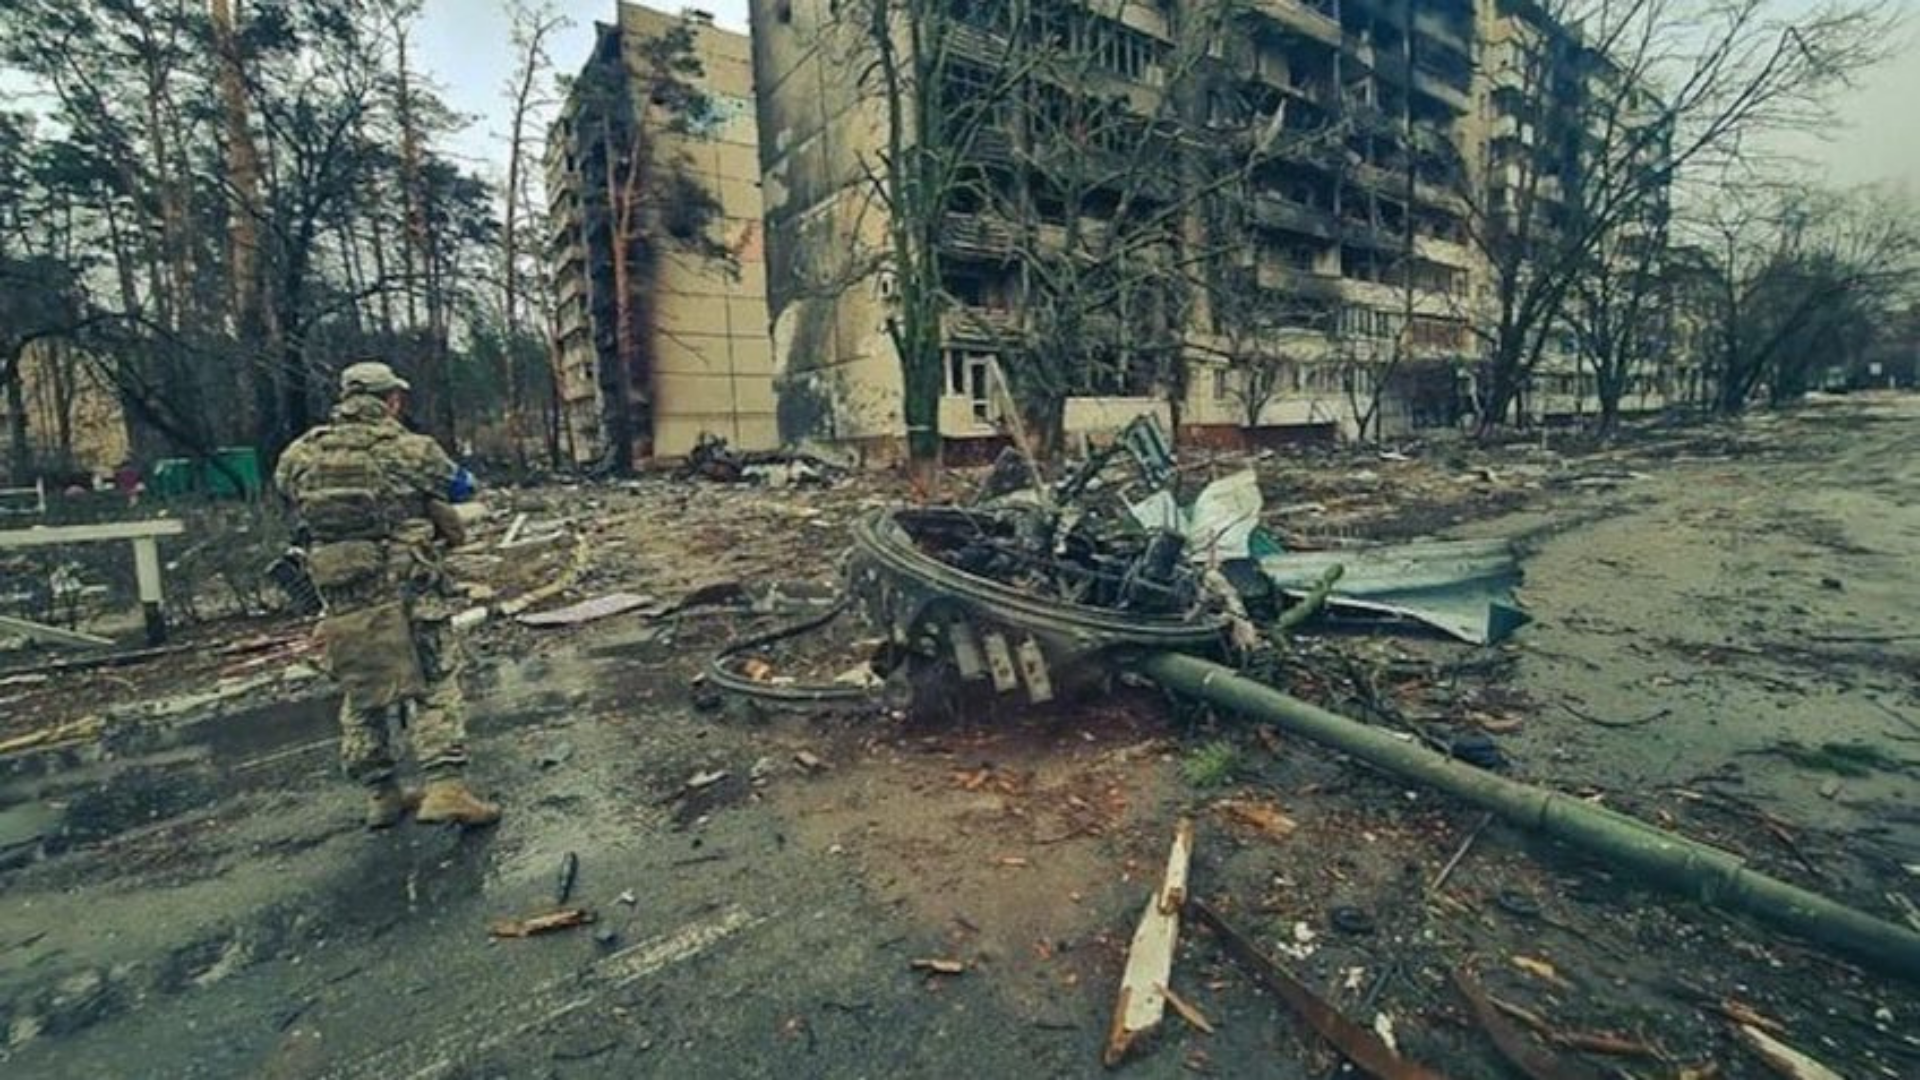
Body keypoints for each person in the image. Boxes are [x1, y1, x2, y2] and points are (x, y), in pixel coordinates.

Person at [274, 361, 499, 829]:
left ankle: (381, 794)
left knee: (362, 689)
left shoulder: (300, 454)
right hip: (409, 590)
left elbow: (287, 496)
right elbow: (461, 485)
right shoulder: (411, 450)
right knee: (435, 682)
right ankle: (445, 789)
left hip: (342, 594)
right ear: (391, 400)